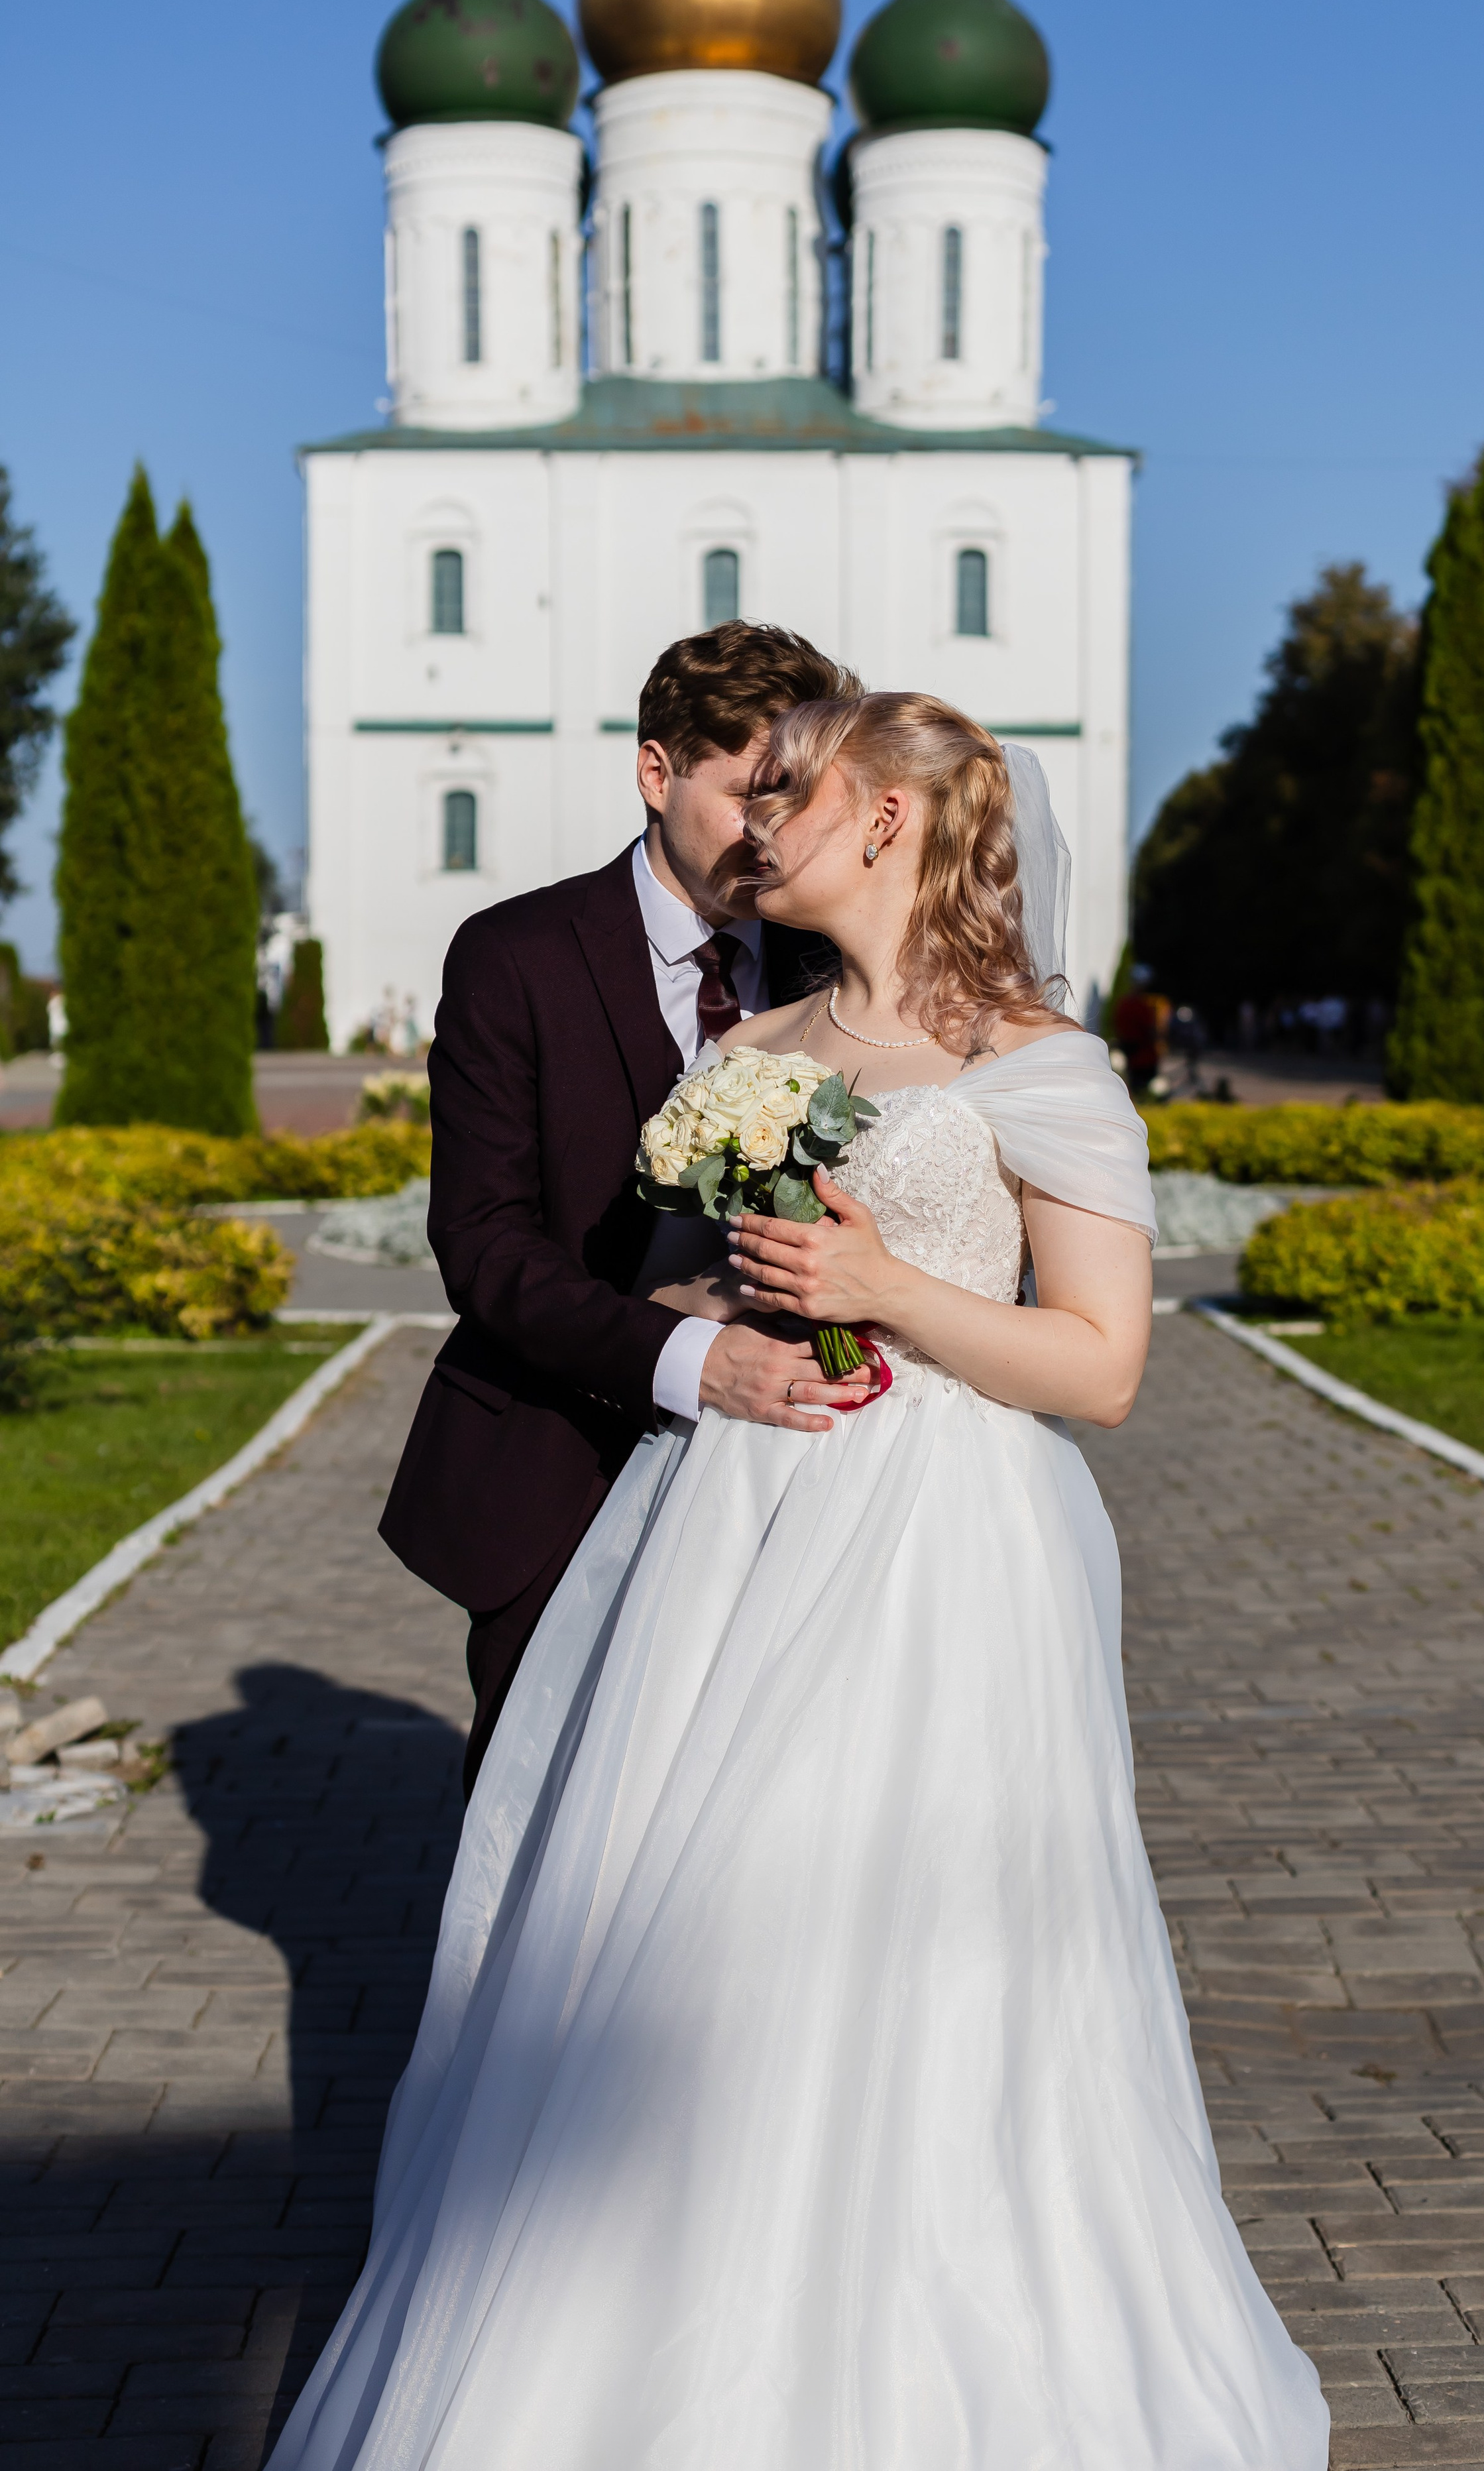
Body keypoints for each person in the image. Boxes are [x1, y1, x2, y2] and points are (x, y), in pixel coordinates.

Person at [273, 691, 1329, 2469]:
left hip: (939, 1558)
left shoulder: (1035, 1059)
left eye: (808, 785)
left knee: (893, 1953)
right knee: (676, 1936)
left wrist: (893, 1291)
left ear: (898, 824)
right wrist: (711, 1305)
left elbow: (1105, 1368)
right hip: (723, 1530)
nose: (769, 809)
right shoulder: (752, 1041)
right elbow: (682, 1285)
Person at [380, 622, 870, 1797]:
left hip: (802, 1478)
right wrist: (692, 1361)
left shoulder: (834, 959)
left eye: (799, 799)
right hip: (562, 1462)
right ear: (656, 772)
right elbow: (485, 1247)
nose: (774, 832)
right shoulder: (514, 956)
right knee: (539, 1817)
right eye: (751, 791)